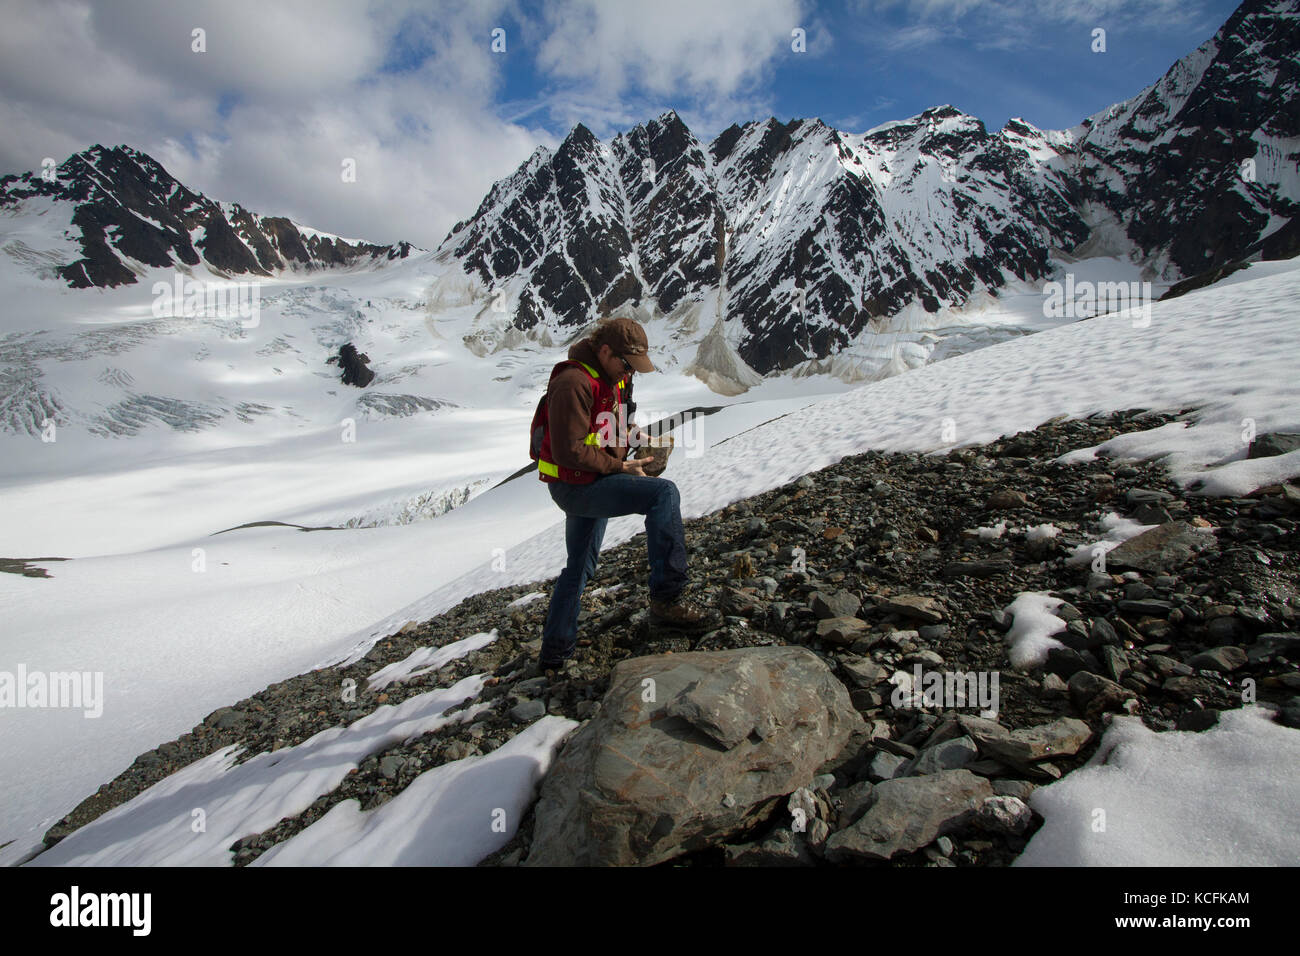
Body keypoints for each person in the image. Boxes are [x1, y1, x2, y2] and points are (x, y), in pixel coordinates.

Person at [535, 316, 716, 672]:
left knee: (579, 568)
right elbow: (570, 450)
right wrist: (621, 468)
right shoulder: (573, 383)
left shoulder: (612, 378)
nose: (629, 373)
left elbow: (608, 426)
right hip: (576, 485)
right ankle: (667, 599)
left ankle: (553, 657)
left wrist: (639, 440)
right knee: (663, 495)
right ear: (605, 351)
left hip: (590, 480)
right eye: (626, 364)